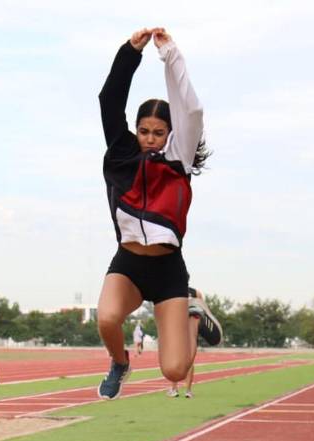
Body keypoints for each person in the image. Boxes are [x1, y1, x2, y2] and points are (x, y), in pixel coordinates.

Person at [96, 27, 221, 399]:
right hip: (129, 263)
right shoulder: (122, 154)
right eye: (144, 131)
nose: (150, 138)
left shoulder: (179, 158)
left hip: (168, 270)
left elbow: (192, 110)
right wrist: (129, 53)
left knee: (174, 371)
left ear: (170, 134)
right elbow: (108, 100)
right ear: (136, 131)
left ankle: (193, 313)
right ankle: (120, 363)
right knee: (106, 318)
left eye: (159, 132)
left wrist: (170, 55)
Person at [167, 287, 219, 398]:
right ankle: (188, 391)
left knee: (176, 359)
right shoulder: (196, 293)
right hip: (192, 328)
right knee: (190, 360)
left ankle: (174, 389)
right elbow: (203, 309)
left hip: (179, 325)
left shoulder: (173, 290)